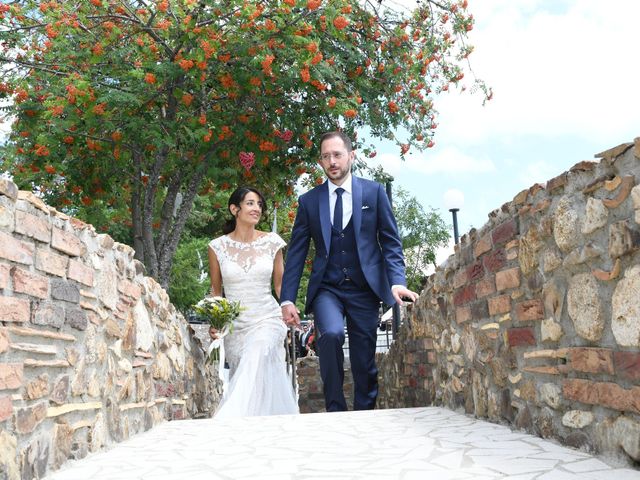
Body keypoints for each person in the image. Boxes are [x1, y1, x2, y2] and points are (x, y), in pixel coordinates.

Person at [280, 131, 418, 412]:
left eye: (337, 155)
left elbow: (391, 243)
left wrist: (396, 282)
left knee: (363, 356)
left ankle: (365, 413)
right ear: (320, 161)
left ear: (351, 156)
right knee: (329, 334)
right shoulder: (309, 201)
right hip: (327, 288)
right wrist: (287, 299)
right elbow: (296, 253)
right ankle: (335, 409)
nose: (332, 161)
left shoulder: (374, 192)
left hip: (364, 287)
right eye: (326, 156)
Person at [208, 186, 299, 418]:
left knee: (258, 351)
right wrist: (216, 321)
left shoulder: (272, 242)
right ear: (234, 209)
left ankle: (230, 419)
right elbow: (217, 292)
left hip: (267, 318)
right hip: (235, 327)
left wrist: (288, 306)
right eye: (250, 203)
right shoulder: (217, 247)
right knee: (250, 373)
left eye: (259, 204)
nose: (256, 208)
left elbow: (280, 286)